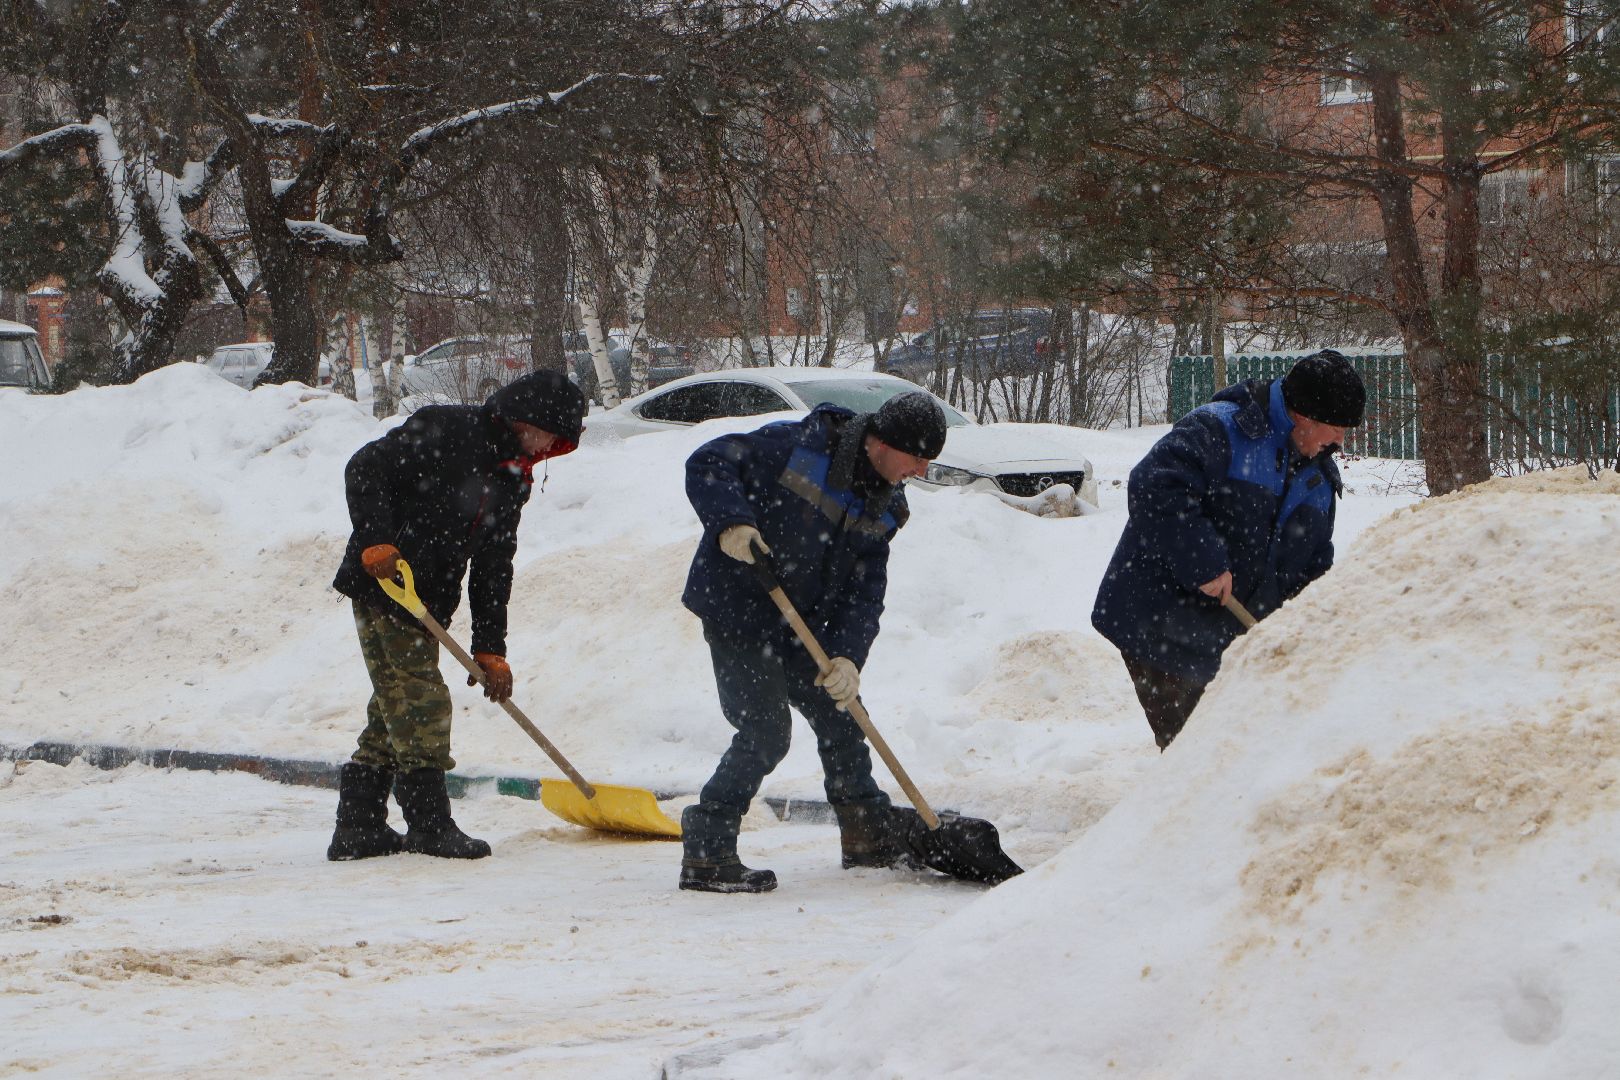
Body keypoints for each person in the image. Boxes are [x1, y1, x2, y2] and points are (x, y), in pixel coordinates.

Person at [677, 391, 949, 893]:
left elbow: (864, 590)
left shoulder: (887, 505)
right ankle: (707, 848)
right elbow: (709, 461)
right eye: (917, 458)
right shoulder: (799, 447)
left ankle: (867, 833)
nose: (921, 469)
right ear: (884, 442)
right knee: (765, 730)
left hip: (804, 620)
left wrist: (848, 655)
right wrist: (732, 524)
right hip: (740, 605)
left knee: (842, 713)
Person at [326, 370, 586, 861]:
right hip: (385, 583)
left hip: (429, 601)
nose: (552, 445)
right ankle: (429, 824)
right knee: (420, 701)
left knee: (394, 708)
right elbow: (364, 469)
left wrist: (491, 648)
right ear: (525, 419)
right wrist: (376, 537)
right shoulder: (448, 429)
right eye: (552, 433)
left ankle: (358, 826)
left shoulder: (514, 476)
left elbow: (494, 564)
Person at [1091, 349, 1366, 750]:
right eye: (1337, 428)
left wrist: (1311, 632)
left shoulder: (1319, 478)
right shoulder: (1222, 428)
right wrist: (1203, 560)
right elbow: (1155, 485)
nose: (1340, 441)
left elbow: (1313, 566)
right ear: (1304, 415)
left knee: (1241, 749)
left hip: (1232, 643)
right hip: (1161, 623)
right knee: (1199, 752)